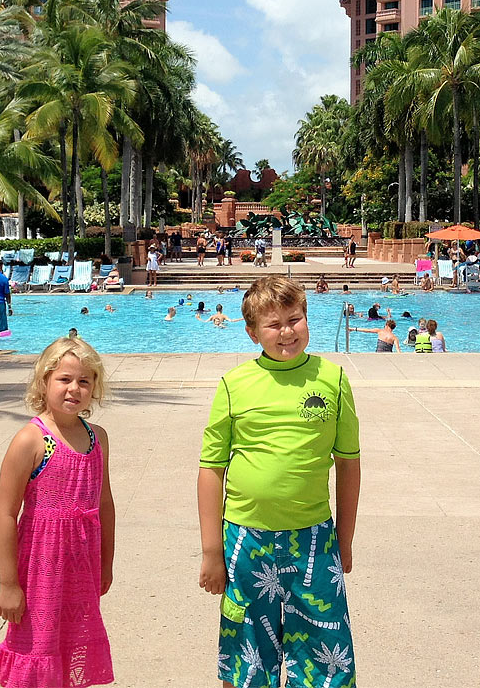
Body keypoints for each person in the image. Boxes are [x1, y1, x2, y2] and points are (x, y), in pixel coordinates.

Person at [198, 278, 360, 688]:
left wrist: (345, 539)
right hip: (245, 539)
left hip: (314, 539)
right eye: (274, 325)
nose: (287, 331)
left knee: (326, 659)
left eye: (295, 319)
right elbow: (211, 468)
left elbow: (348, 464)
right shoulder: (234, 385)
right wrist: (212, 551)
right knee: (247, 660)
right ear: (252, 332)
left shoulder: (333, 379)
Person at [0, 336, 114, 688]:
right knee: (37, 645)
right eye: (64, 379)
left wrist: (106, 562)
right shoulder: (32, 440)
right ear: (44, 382)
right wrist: (8, 584)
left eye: (84, 381)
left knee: (74, 644)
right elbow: (5, 514)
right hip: (41, 565)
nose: (74, 388)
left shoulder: (98, 437)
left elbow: (104, 503)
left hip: (82, 564)